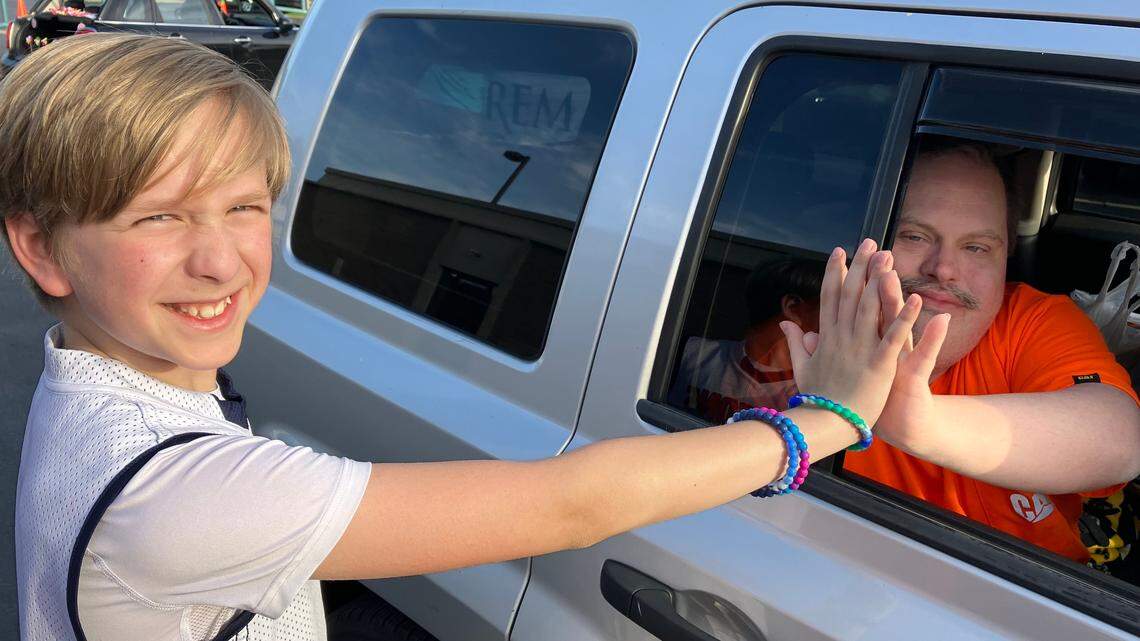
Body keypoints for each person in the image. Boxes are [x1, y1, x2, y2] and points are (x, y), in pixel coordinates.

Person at [0, 35, 945, 641]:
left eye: (246, 206)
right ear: (40, 247)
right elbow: (568, 503)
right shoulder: (176, 498)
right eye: (157, 219)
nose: (221, 262)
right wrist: (829, 417)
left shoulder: (92, 383)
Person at [844, 140, 1140, 563]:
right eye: (914, 236)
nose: (943, 269)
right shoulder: (808, 335)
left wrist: (917, 422)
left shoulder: (1030, 320)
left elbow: (1118, 439)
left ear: (1006, 258)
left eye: (976, 247)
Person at [669, 256, 824, 422]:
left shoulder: (817, 393)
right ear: (792, 307)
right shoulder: (688, 353)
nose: (838, 319)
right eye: (829, 305)